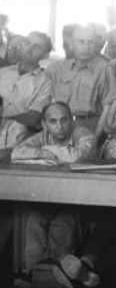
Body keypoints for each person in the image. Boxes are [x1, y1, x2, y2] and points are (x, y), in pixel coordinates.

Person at [12, 102, 96, 272]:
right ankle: (33, 275)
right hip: (50, 199)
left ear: (72, 120)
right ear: (44, 124)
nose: (59, 126)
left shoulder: (83, 133)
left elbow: (79, 156)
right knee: (34, 220)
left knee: (62, 225)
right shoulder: (42, 136)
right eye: (53, 121)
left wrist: (50, 150)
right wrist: (43, 153)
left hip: (79, 202)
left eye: (64, 120)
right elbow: (17, 153)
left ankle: (58, 276)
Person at [46, 25, 116, 143]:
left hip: (88, 126)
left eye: (90, 42)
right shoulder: (61, 68)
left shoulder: (106, 68)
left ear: (95, 45)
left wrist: (96, 137)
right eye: (81, 42)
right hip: (60, 125)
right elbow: (52, 102)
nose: (86, 47)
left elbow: (108, 108)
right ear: (71, 45)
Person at [0, 32, 53, 149]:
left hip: (20, 140)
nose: (29, 49)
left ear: (45, 55)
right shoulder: (2, 73)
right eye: (27, 43)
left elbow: (33, 118)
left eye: (36, 47)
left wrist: (3, 120)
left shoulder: (45, 82)